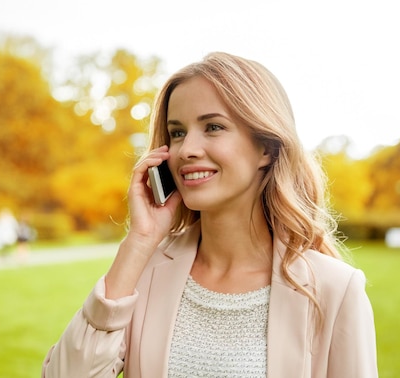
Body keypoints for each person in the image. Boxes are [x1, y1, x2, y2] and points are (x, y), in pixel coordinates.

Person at [42, 52, 377, 377]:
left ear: (266, 148)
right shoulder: (143, 274)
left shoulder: (334, 289)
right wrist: (140, 241)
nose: (186, 150)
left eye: (213, 127)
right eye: (177, 132)